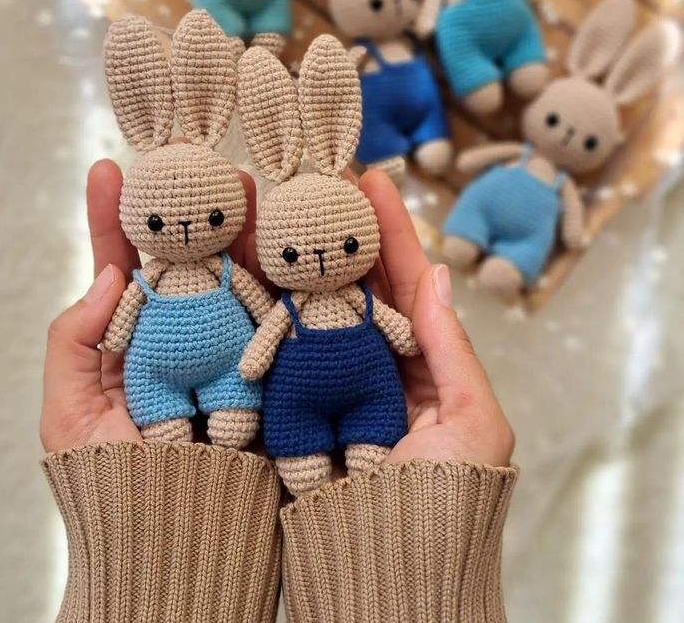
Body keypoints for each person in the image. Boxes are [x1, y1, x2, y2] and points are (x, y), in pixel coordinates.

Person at [40, 161, 516, 623]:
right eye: (291, 255)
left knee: (276, 421)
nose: (323, 259)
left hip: (349, 390)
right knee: (252, 428)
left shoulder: (333, 295)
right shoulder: (166, 283)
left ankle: (321, 438)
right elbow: (262, 328)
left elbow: (266, 317)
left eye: (348, 245)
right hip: (209, 382)